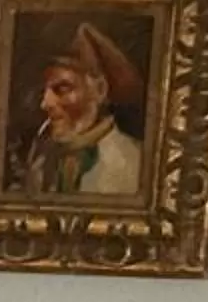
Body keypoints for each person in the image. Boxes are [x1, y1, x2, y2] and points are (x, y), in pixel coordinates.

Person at [16, 21, 145, 196]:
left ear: (100, 90)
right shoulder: (40, 160)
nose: (45, 104)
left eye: (62, 89)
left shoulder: (136, 163)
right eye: (44, 90)